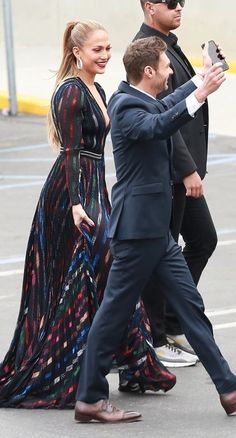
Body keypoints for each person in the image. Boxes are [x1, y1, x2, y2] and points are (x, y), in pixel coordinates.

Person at [0, 21, 176, 409]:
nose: (106, 56)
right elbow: (70, 152)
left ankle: (135, 366)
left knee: (113, 272)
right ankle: (75, 369)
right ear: (77, 52)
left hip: (95, 186)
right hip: (72, 193)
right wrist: (78, 203)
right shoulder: (70, 92)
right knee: (97, 272)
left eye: (108, 48)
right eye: (97, 49)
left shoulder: (97, 88)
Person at [74, 36, 236, 423]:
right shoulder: (126, 105)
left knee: (190, 308)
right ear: (148, 72)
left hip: (155, 233)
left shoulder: (139, 97)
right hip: (136, 232)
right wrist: (200, 95)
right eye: (165, 67)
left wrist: (201, 77)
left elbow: (163, 105)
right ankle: (90, 399)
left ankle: (228, 389)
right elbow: (160, 123)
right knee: (113, 313)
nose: (168, 72)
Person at [132, 0, 218, 367]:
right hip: (170, 172)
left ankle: (168, 322)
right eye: (170, 2)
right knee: (161, 253)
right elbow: (163, 116)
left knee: (202, 239)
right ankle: (156, 335)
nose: (179, 6)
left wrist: (203, 75)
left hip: (183, 168)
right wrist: (185, 169)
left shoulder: (168, 42)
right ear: (150, 7)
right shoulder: (148, 49)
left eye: (182, 0)